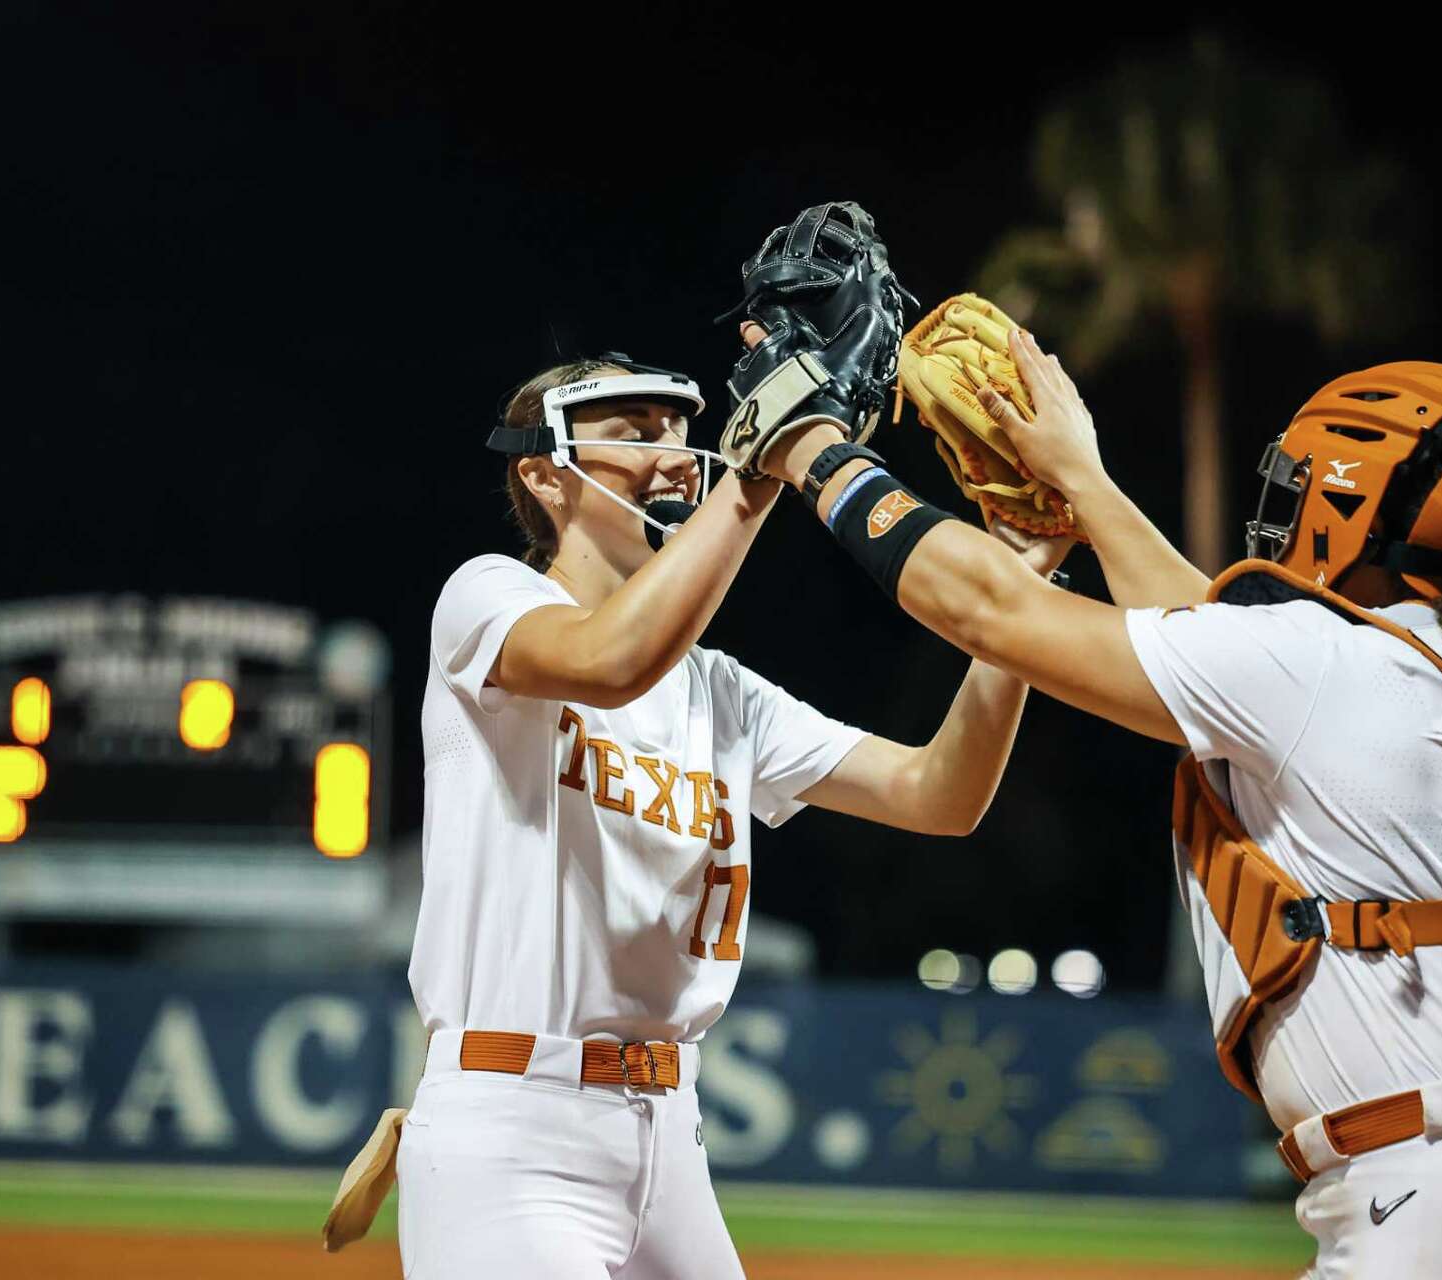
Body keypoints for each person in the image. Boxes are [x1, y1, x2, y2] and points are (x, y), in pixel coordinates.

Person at [740, 322, 1442, 1278]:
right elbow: (1210, 638)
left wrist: (809, 443)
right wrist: (1086, 489)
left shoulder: (1327, 670)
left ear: (1356, 507)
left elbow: (987, 609)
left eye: (1310, 486)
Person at [400, 351, 1067, 1279]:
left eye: (679, 431)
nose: (675, 455)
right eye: (634, 436)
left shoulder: (718, 694)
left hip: (670, 1136)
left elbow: (941, 794)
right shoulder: (490, 596)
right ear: (544, 476)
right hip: (516, 1125)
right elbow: (609, 659)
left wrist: (1024, 603)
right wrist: (758, 478)